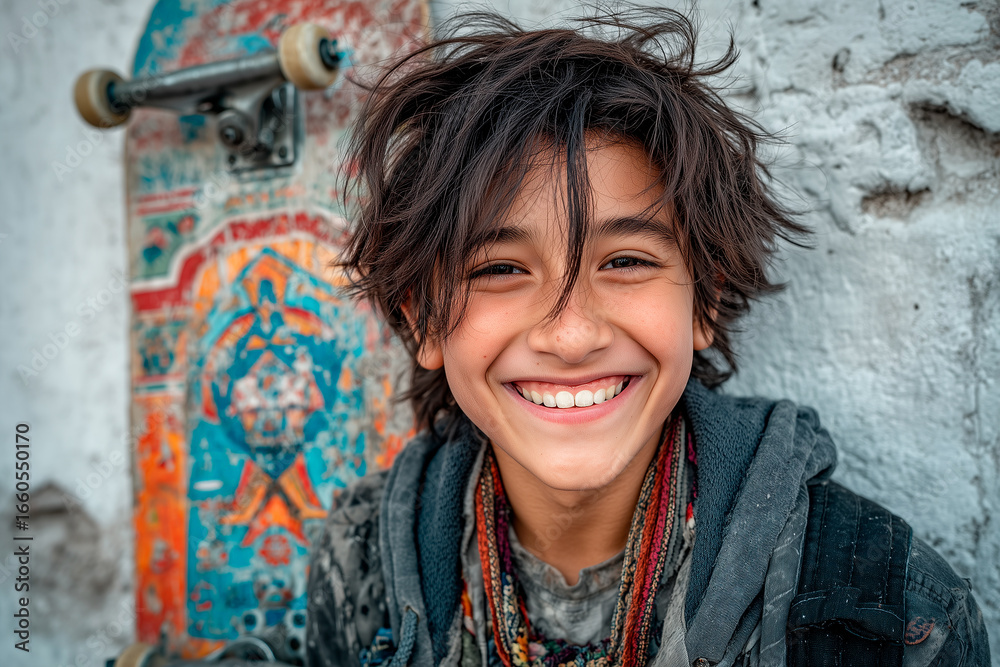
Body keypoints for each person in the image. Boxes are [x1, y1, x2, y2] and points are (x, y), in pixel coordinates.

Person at [304, 6, 990, 666]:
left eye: (625, 261)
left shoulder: (889, 611)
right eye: (501, 268)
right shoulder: (360, 568)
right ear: (423, 319)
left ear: (706, 297)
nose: (571, 335)